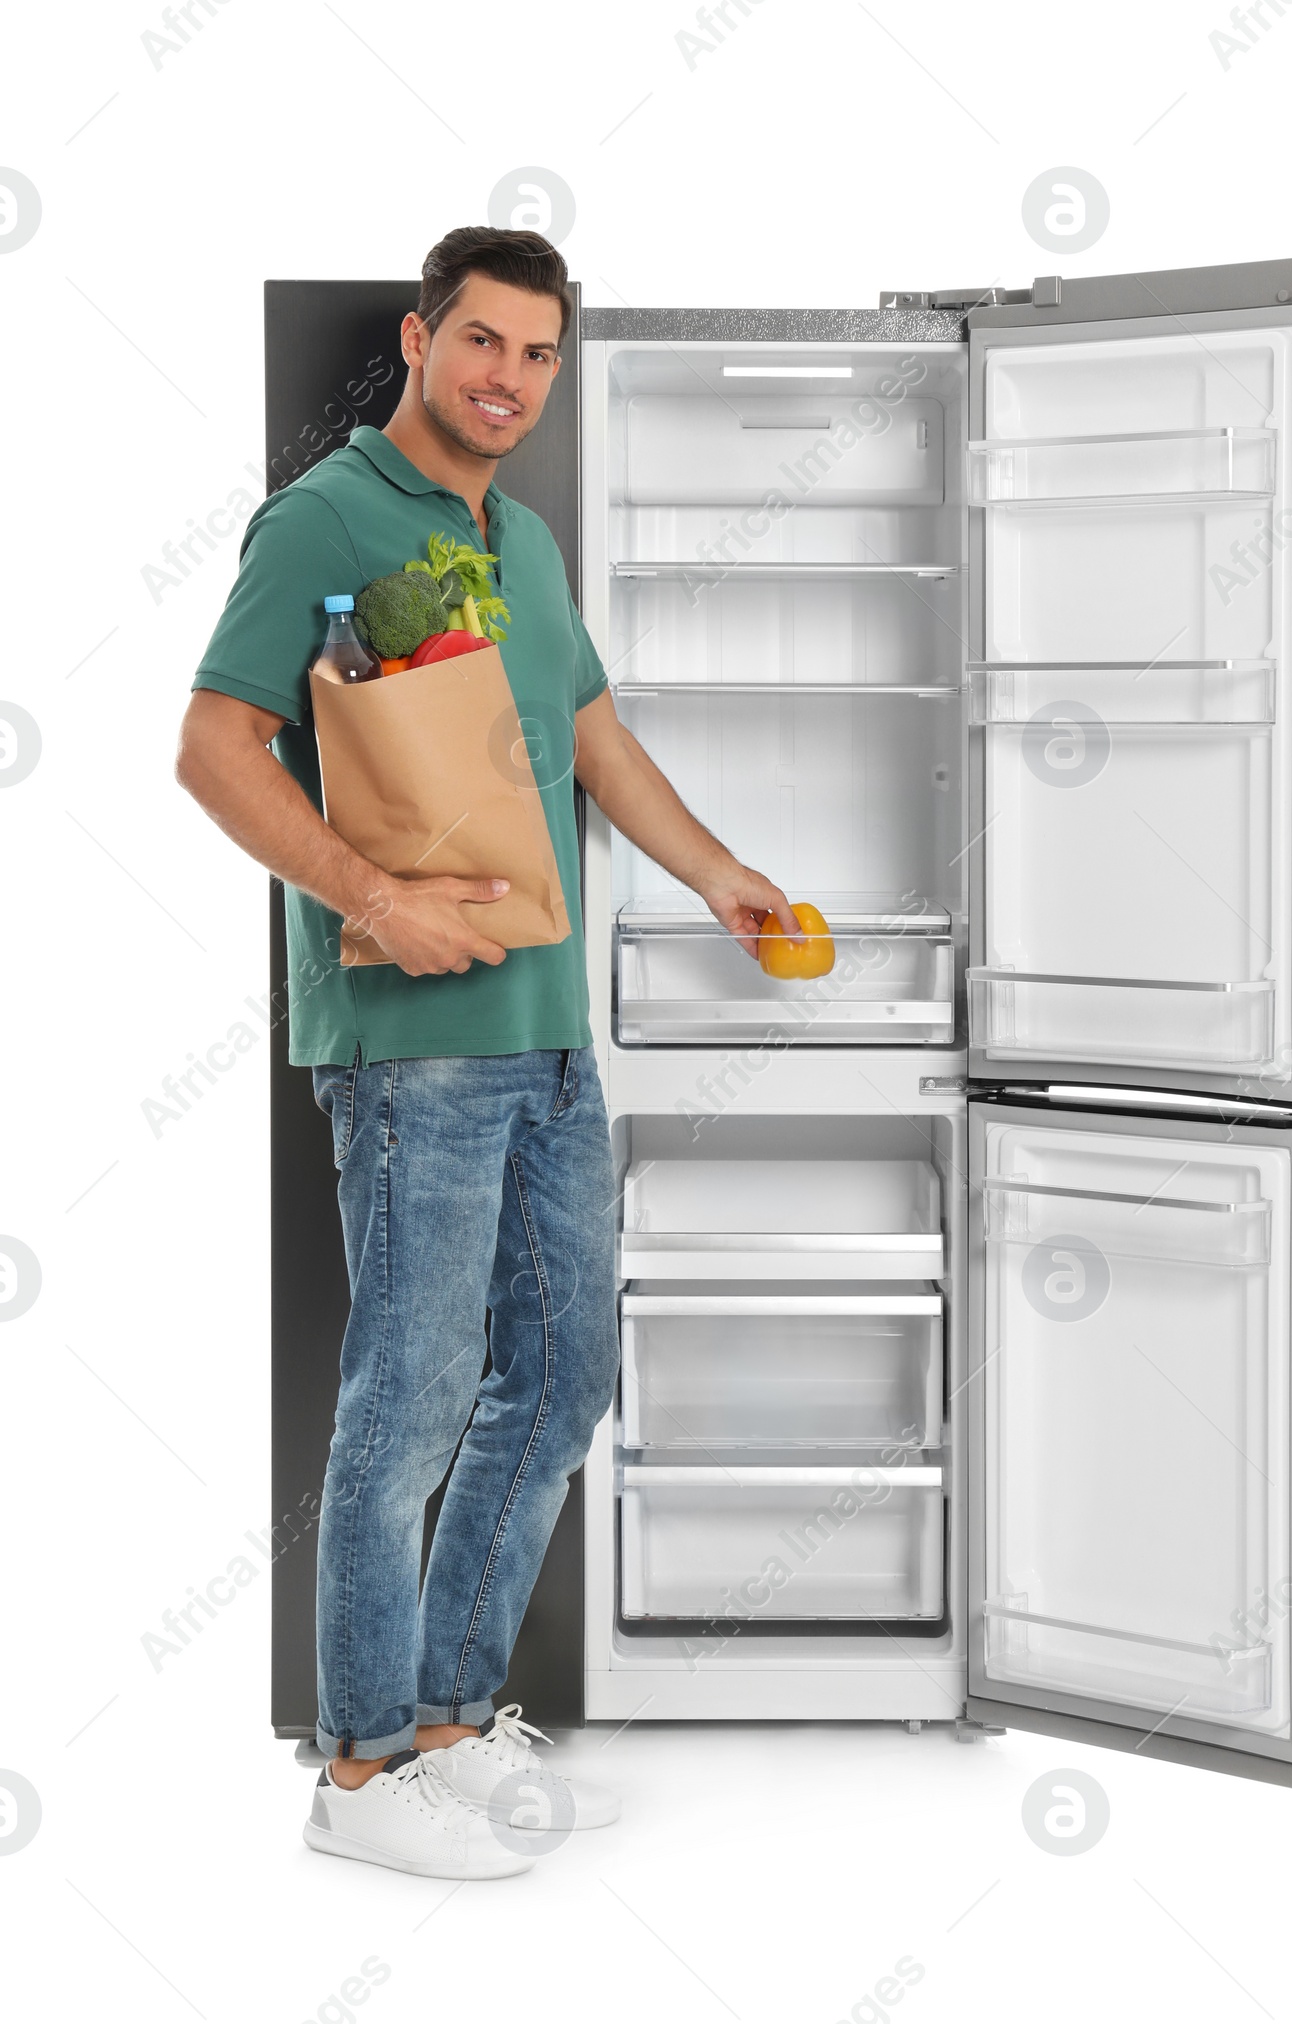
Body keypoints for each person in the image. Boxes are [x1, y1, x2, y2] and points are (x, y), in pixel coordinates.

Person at [175, 225, 799, 1880]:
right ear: (418, 337)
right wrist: (372, 897)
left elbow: (589, 733)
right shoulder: (322, 520)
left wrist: (720, 870)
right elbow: (214, 745)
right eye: (483, 343)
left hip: (547, 1037)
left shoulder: (516, 538)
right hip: (410, 1047)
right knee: (411, 1399)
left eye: (537, 354)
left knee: (562, 1377)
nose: (508, 379)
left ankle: (448, 1721)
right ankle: (361, 1778)